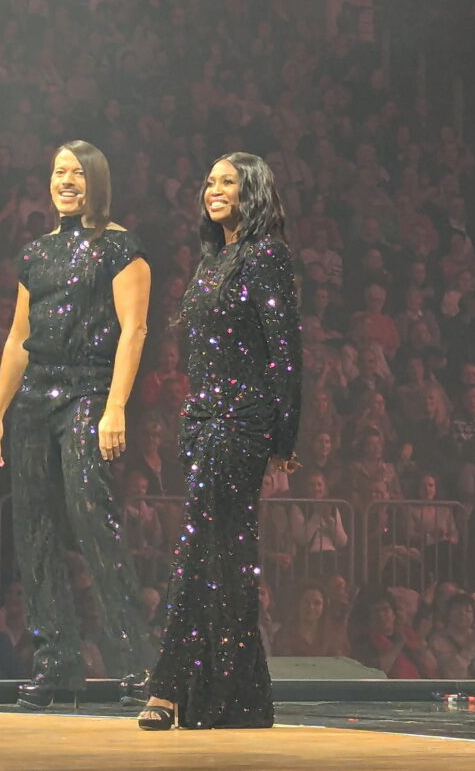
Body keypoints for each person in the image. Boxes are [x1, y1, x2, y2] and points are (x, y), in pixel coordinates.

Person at [0, 140, 155, 709]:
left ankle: (138, 665)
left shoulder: (120, 247)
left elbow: (134, 330)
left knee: (91, 520)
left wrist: (115, 405)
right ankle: (55, 665)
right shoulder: (35, 253)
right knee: (33, 529)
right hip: (34, 398)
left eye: (77, 173)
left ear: (96, 181)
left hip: (87, 390)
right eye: (59, 172)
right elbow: (18, 338)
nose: (66, 181)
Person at [140, 153, 301, 730]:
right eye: (209, 181)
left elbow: (285, 351)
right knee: (222, 558)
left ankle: (169, 688)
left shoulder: (266, 257)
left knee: (199, 552)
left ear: (250, 191)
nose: (213, 190)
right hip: (203, 419)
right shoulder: (212, 261)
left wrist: (284, 436)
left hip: (242, 422)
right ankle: (236, 695)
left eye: (227, 182)